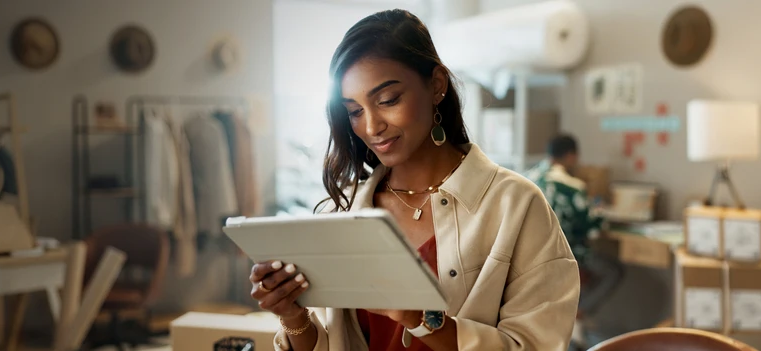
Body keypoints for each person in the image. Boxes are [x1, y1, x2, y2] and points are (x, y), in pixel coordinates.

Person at [247, 10, 579, 351]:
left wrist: (421, 319)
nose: (372, 127)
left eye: (388, 100)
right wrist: (293, 316)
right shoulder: (342, 211)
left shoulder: (515, 205)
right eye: (355, 111)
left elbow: (538, 344)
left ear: (436, 85)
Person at [524, 135, 624, 341]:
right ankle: (577, 313)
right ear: (570, 156)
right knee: (613, 271)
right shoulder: (571, 186)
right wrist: (600, 210)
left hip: (530, 259)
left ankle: (570, 317)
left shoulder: (526, 178)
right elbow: (592, 228)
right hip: (564, 255)